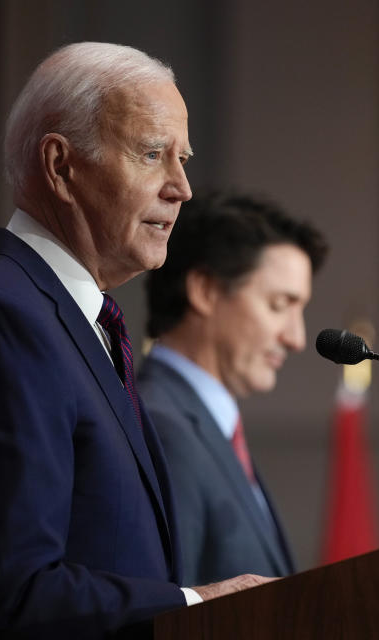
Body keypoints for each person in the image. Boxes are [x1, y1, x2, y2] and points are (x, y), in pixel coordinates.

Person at [0, 42, 269, 639]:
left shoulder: (71, 319)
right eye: (151, 154)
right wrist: (197, 604)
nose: (182, 188)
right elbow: (16, 595)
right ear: (61, 166)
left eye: (183, 158)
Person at [138, 189, 328, 585]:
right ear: (205, 290)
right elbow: (169, 609)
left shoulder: (205, 425)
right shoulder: (161, 428)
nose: (296, 338)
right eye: (279, 305)